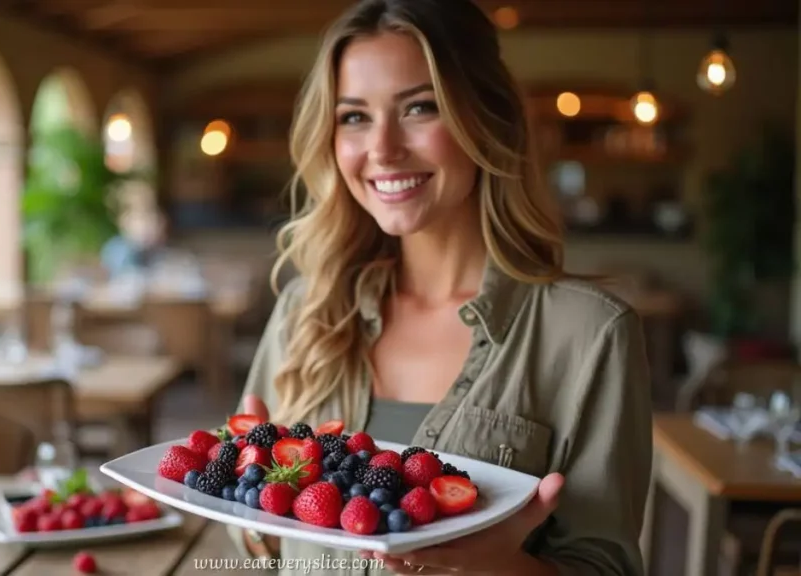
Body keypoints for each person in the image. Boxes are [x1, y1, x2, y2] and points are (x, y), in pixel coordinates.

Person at [226, 0, 653, 574]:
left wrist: (501, 567)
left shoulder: (590, 334)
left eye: (421, 107)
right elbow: (257, 540)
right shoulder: (307, 310)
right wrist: (246, 504)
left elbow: (608, 564)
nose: (382, 149)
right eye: (354, 116)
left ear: (488, 119)